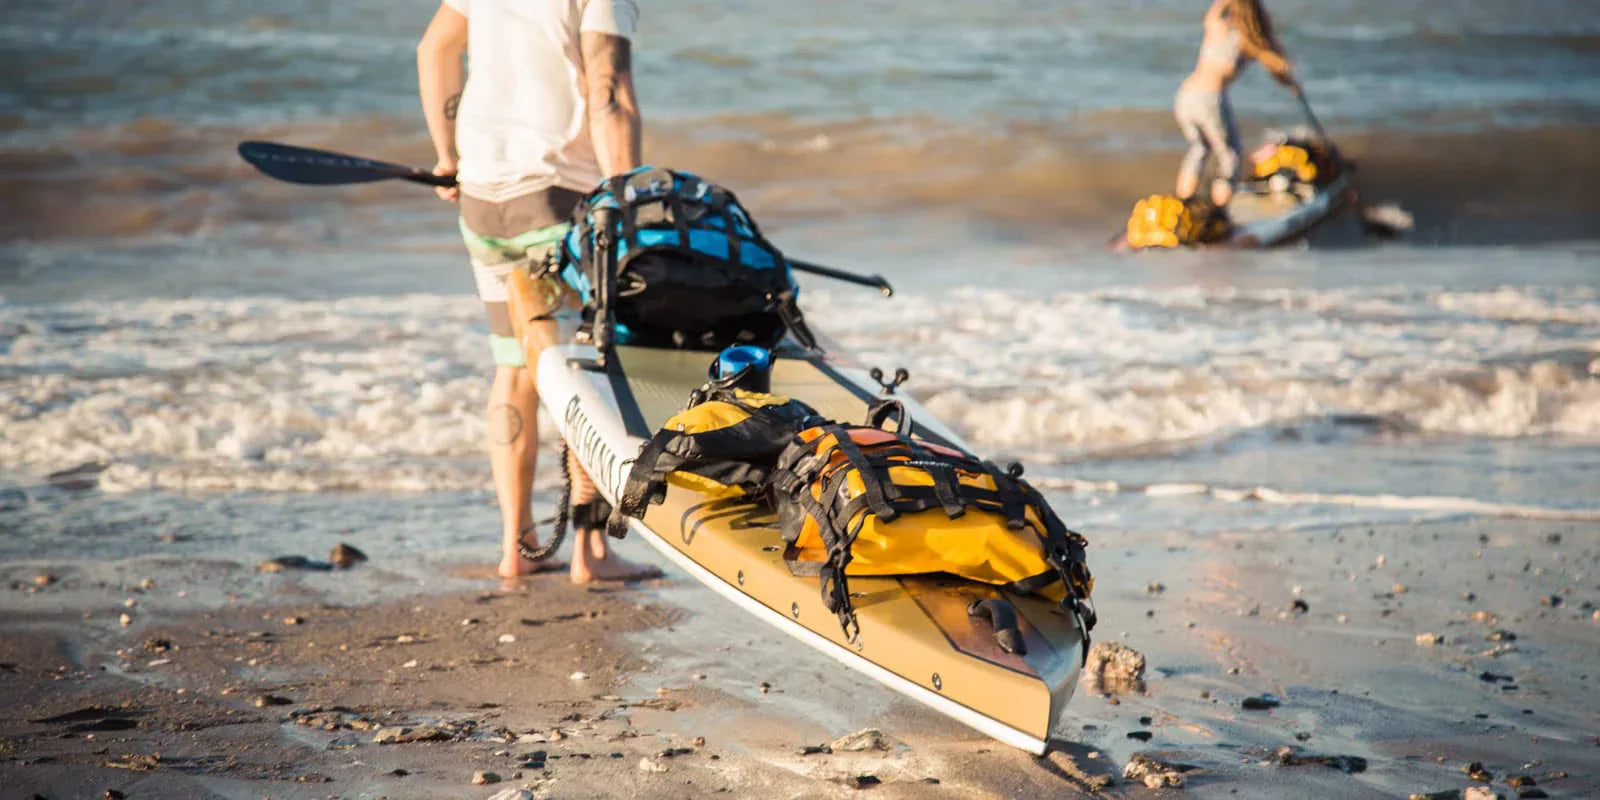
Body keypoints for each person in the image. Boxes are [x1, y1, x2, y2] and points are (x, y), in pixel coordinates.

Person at [417, 0, 661, 582]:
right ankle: (590, 552)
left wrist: (446, 154)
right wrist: (623, 200)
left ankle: (517, 546)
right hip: (557, 196)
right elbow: (608, 88)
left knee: (515, 367)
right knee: (581, 369)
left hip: (483, 194)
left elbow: (436, 48)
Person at [1174, 0, 1300, 207]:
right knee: (1230, 155)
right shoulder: (1249, 42)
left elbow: (1214, 12)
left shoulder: (1217, 27)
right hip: (1210, 98)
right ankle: (1219, 213)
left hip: (1186, 95)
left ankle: (1182, 205)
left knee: (1199, 148)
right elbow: (1276, 66)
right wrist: (1291, 85)